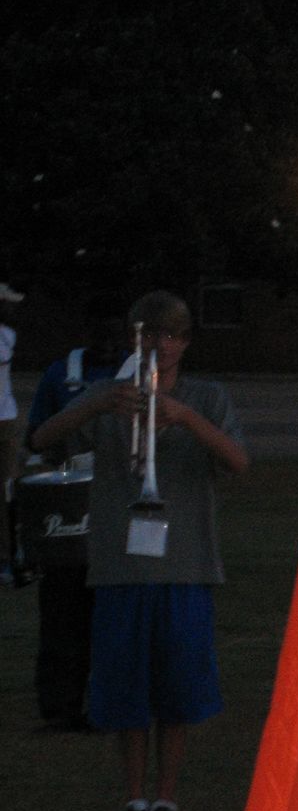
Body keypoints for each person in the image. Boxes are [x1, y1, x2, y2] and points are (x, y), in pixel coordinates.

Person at [29, 291, 249, 811]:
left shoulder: (206, 396)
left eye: (172, 336)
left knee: (177, 690)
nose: (161, 345)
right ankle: (133, 798)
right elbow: (42, 439)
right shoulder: (110, 395)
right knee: (125, 689)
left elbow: (238, 462)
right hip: (119, 565)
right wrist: (96, 406)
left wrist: (185, 418)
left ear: (186, 342)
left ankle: (166, 799)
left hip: (186, 564)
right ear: (135, 339)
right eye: (150, 335)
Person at [22, 292, 126, 726]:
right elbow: (36, 440)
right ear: (85, 333)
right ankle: (60, 707)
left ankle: (109, 703)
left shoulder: (139, 373)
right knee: (64, 610)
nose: (108, 343)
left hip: (119, 503)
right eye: (100, 334)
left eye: (116, 334)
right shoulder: (61, 374)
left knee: (114, 615)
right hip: (70, 509)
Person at [1, 281, 32, 586]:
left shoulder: (7, 335)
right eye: (8, 303)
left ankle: (12, 556)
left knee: (9, 487)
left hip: (5, 420)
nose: (13, 309)